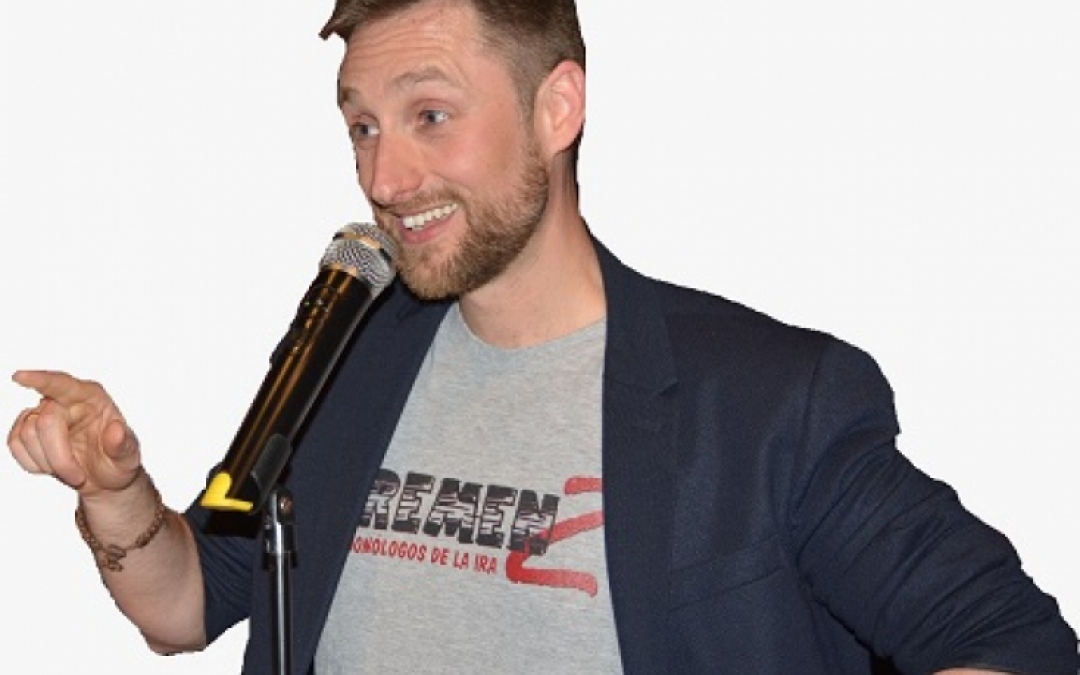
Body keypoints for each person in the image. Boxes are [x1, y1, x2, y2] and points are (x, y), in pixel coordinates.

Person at [7, 0, 1077, 673]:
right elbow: (187, 608)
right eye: (362, 126)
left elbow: (1017, 645)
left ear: (557, 108)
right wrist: (116, 491)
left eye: (430, 115)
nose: (384, 177)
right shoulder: (349, 354)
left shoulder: (765, 401)